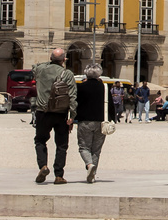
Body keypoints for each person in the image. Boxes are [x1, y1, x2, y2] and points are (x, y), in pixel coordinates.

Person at [31, 48, 76, 185]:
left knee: (40, 140)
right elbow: (73, 96)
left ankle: (43, 166)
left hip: (42, 112)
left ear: (50, 59)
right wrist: (72, 115)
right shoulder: (67, 73)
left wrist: (53, 60)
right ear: (64, 60)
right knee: (62, 145)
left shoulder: (40, 70)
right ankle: (59, 175)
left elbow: (35, 66)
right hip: (61, 113)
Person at [74, 65, 114, 183]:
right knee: (96, 150)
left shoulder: (80, 87)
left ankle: (89, 164)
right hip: (101, 122)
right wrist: (112, 119)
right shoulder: (105, 87)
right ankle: (93, 173)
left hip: (85, 121)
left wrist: (72, 118)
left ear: (86, 74)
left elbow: (75, 104)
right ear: (99, 74)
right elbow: (110, 105)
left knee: (84, 147)